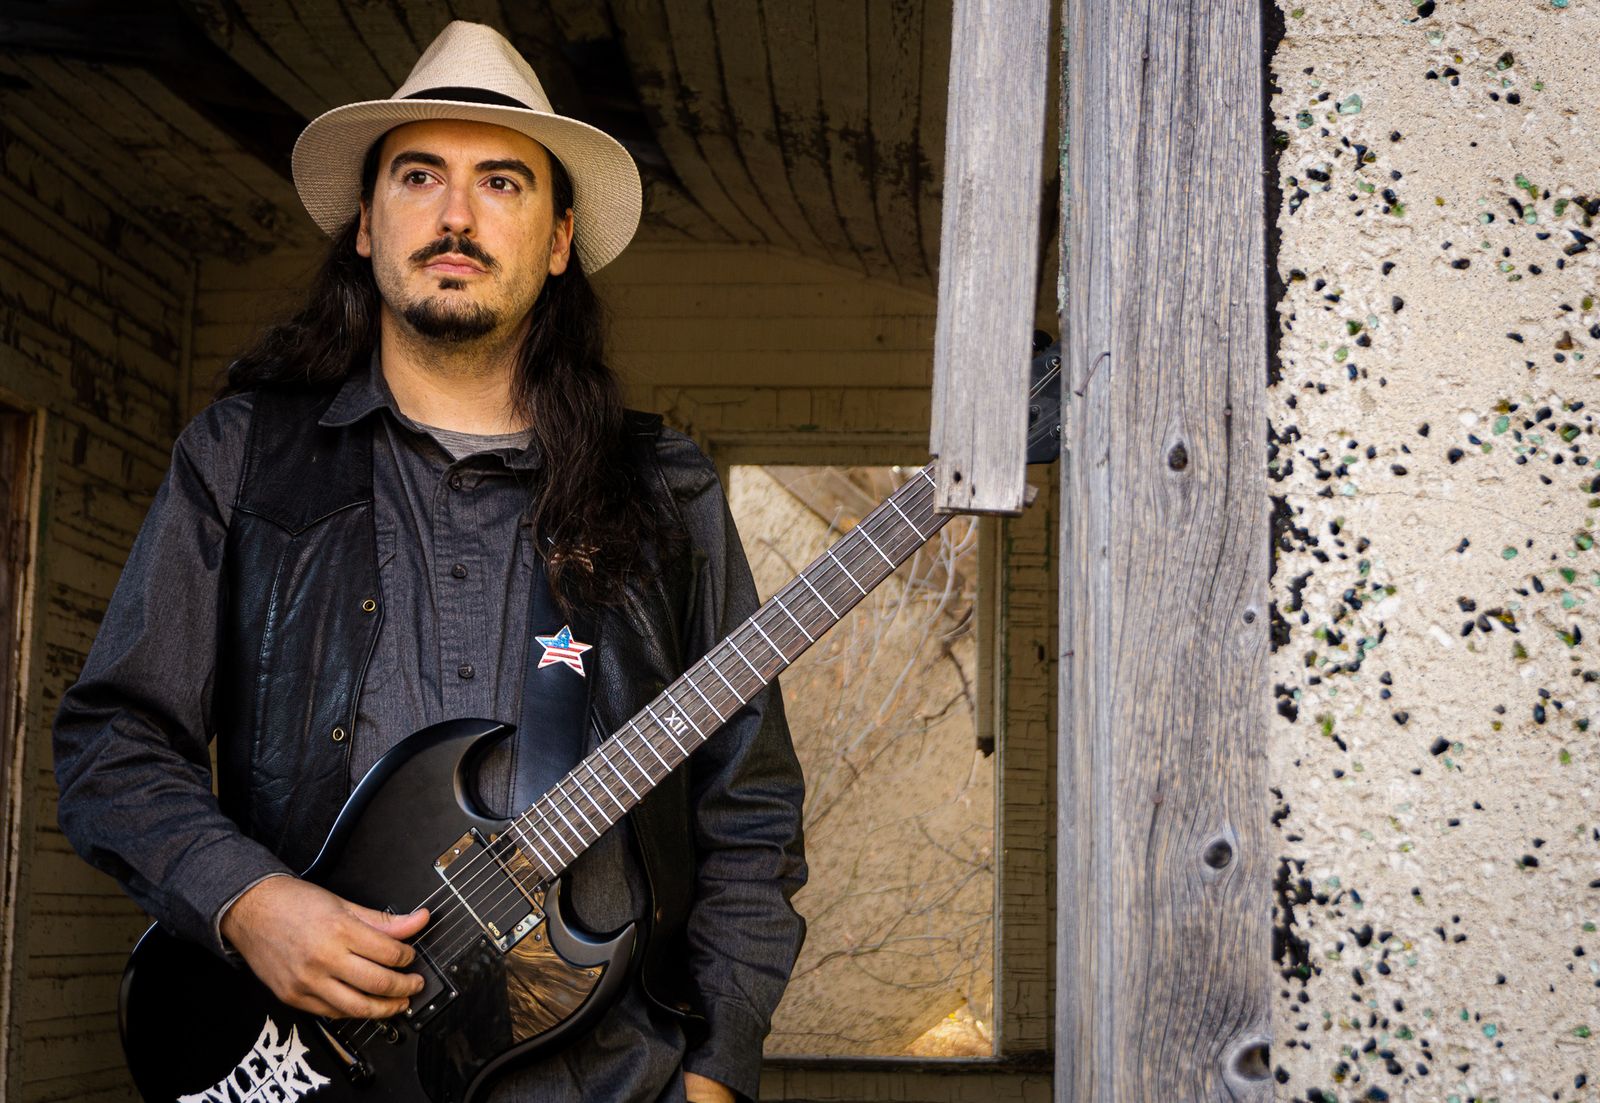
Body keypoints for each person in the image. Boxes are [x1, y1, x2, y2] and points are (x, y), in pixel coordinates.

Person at [51, 21, 806, 1103]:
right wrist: (247, 900)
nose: (456, 215)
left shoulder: (662, 489)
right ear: (367, 224)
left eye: (501, 181)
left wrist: (716, 1070)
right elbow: (112, 743)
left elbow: (749, 812)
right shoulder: (242, 459)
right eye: (419, 176)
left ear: (558, 239)